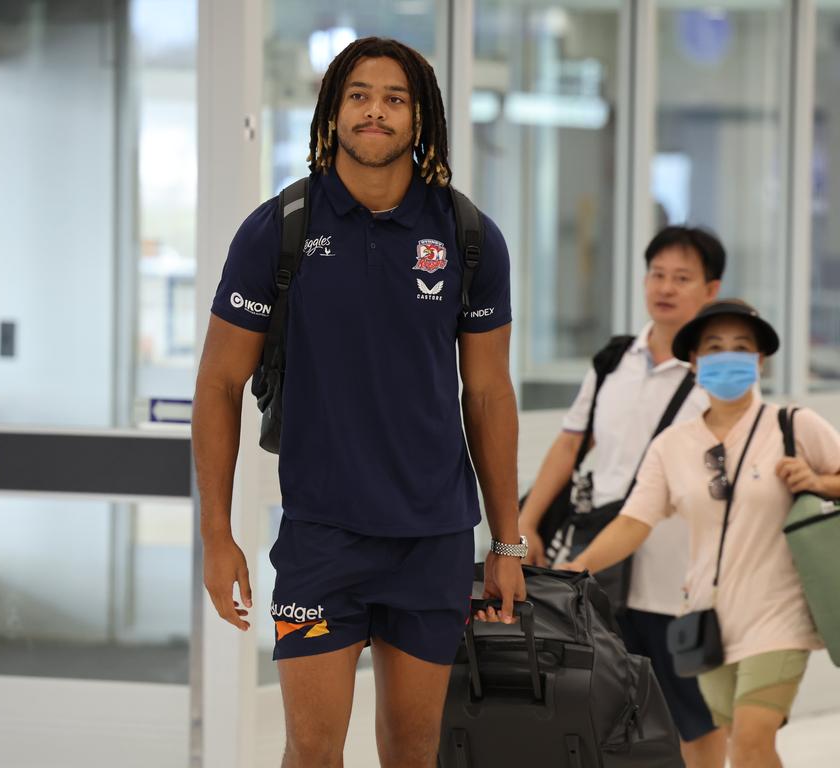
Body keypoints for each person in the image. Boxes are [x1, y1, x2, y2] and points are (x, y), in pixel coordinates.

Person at [192, 37, 524, 767]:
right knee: (312, 752)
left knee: (412, 749)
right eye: (360, 96)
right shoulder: (278, 229)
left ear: (420, 119)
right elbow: (218, 385)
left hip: (433, 539)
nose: (376, 111)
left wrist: (507, 541)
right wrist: (216, 534)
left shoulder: (467, 238)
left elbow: (491, 393)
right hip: (322, 537)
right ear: (334, 112)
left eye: (395, 99)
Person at [561, 299, 840, 768]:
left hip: (780, 614)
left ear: (760, 360)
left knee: (751, 739)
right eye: (714, 347)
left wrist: (817, 482)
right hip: (706, 618)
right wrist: (573, 567)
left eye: (740, 346)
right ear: (693, 361)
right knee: (737, 742)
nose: (727, 355)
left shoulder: (793, 426)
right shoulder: (672, 446)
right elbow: (634, 522)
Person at [519, 226, 728, 767]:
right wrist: (527, 523)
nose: (666, 287)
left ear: (710, 290)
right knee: (599, 707)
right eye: (657, 274)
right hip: (601, 576)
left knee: (695, 714)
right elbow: (568, 446)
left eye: (682, 278)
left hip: (678, 584)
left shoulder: (717, 376)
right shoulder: (614, 361)